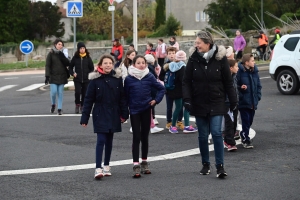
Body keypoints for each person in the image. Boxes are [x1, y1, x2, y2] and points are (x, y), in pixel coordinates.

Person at [182, 31, 237, 178]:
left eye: (198, 42)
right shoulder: (193, 59)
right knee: (203, 135)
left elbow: (228, 82)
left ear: (208, 44)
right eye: (196, 42)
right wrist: (187, 99)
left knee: (217, 133)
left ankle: (220, 166)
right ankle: (205, 164)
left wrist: (233, 101)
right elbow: (186, 81)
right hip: (199, 102)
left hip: (217, 101)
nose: (196, 45)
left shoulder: (220, 59)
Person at [80, 55, 129, 179]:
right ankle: (98, 168)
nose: (108, 65)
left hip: (114, 113)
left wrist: (124, 114)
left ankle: (106, 165)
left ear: (113, 65)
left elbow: (122, 98)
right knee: (101, 140)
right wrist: (84, 118)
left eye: (110, 63)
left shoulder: (117, 79)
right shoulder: (94, 81)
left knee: (109, 141)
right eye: (105, 63)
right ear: (100, 65)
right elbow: (88, 100)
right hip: (100, 113)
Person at [124, 55, 165, 178]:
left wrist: (156, 100)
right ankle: (136, 164)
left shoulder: (149, 76)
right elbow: (125, 96)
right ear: (134, 64)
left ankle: (144, 162)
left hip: (147, 109)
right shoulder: (129, 79)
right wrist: (124, 112)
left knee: (145, 137)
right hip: (135, 110)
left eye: (143, 62)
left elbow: (161, 89)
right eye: (138, 63)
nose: (141, 64)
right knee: (136, 137)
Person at [164, 50, 197, 134]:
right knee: (184, 108)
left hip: (174, 90)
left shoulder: (171, 66)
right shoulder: (182, 67)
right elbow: (184, 80)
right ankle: (183, 126)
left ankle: (173, 125)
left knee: (178, 108)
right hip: (182, 91)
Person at [236, 54, 262, 149]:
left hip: (252, 101)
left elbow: (258, 85)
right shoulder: (239, 72)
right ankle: (245, 138)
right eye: (252, 60)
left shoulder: (254, 72)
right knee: (245, 120)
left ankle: (244, 133)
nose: (254, 62)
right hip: (243, 102)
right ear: (246, 62)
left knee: (250, 120)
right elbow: (235, 84)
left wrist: (258, 96)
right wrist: (241, 93)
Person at [158, 47, 184, 130]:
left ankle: (179, 121)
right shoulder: (166, 65)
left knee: (179, 106)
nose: (172, 55)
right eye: (170, 53)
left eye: (173, 53)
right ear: (167, 55)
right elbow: (161, 76)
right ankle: (169, 121)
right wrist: (167, 80)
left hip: (178, 89)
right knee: (169, 106)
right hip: (168, 89)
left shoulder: (180, 64)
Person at [45, 38, 70, 115]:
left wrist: (63, 56)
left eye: (61, 45)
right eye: (59, 44)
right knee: (53, 92)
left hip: (62, 76)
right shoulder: (51, 54)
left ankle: (59, 109)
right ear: (55, 45)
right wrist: (47, 76)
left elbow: (68, 63)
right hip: (53, 76)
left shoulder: (64, 53)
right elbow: (47, 65)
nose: (60, 46)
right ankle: (53, 104)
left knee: (60, 93)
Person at [69, 42, 94, 114]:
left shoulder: (88, 58)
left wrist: (88, 74)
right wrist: (73, 73)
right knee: (78, 92)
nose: (82, 50)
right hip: (77, 79)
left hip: (86, 79)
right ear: (78, 49)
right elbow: (70, 67)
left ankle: (82, 106)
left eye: (83, 48)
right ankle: (77, 104)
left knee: (84, 93)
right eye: (81, 48)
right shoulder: (75, 58)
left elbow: (91, 68)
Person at [144, 54, 164, 133]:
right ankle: (151, 125)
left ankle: (152, 125)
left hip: (148, 91)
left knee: (149, 109)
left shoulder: (148, 69)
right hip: (150, 91)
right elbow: (154, 81)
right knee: (149, 108)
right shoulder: (150, 70)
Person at [223, 59, 239, 151]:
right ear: (231, 68)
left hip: (234, 102)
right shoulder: (225, 78)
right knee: (229, 122)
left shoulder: (234, 76)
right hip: (227, 103)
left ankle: (228, 139)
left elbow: (235, 88)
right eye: (236, 66)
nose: (238, 68)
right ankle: (230, 142)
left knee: (234, 122)